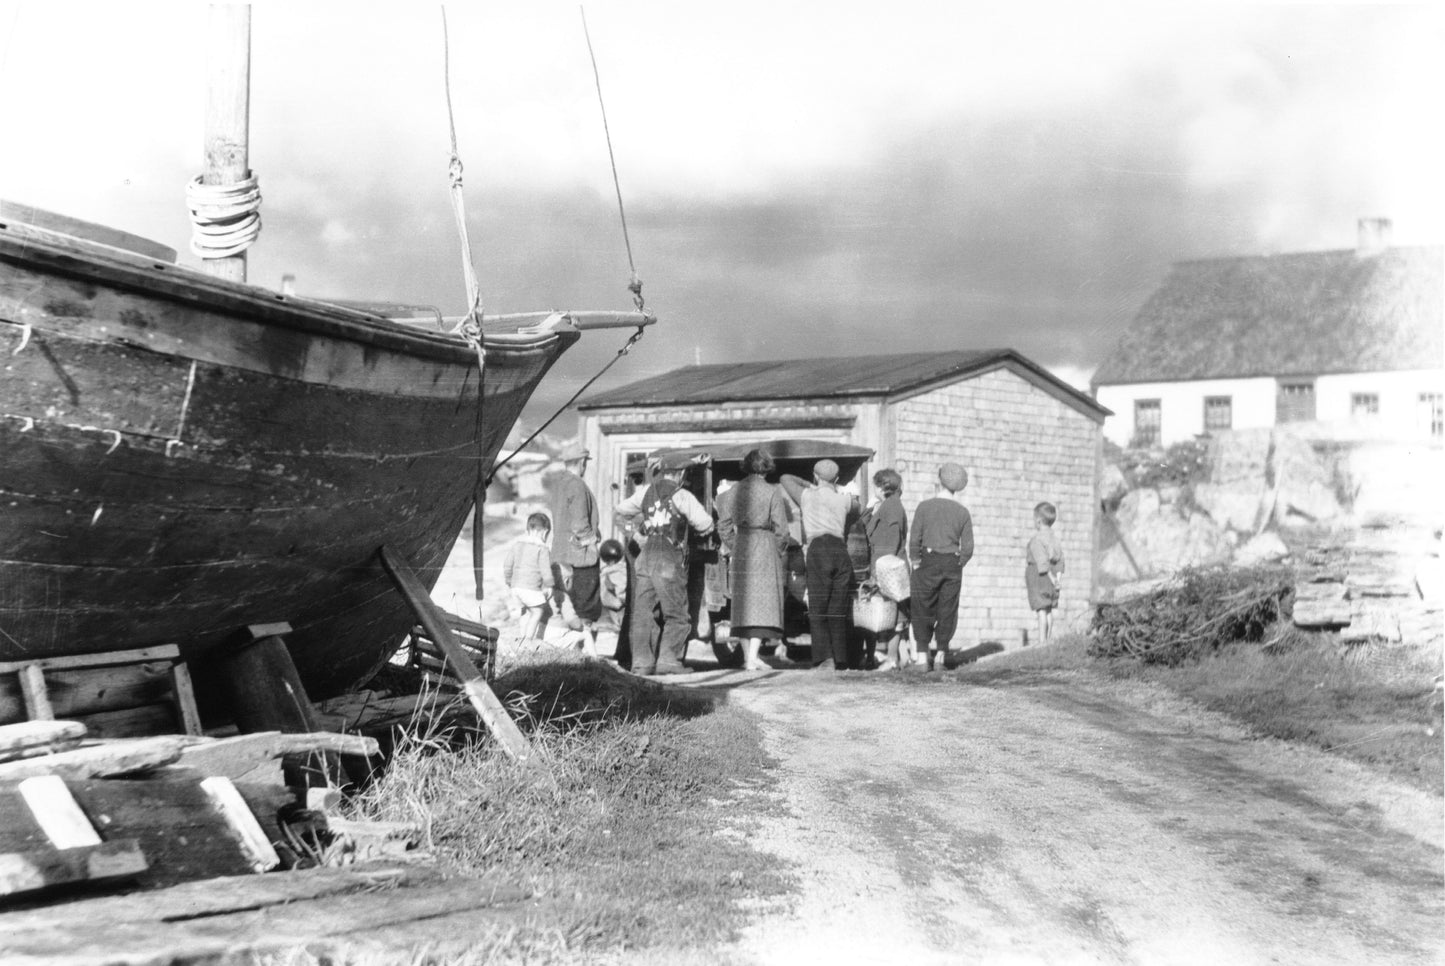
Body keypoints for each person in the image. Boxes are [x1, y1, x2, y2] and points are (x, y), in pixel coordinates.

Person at [614, 458, 716, 675]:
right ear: (680, 474)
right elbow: (706, 523)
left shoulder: (644, 492)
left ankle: (642, 663)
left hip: (646, 555)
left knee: (643, 612)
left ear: (662, 473)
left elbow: (620, 512)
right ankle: (669, 660)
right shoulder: (682, 495)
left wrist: (636, 533)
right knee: (676, 612)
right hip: (669, 556)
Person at [781, 459, 859, 671]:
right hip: (839, 550)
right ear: (836, 479)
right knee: (837, 607)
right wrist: (832, 487)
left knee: (818, 606)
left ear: (816, 476)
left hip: (818, 549)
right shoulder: (842, 500)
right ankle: (841, 658)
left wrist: (812, 484)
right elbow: (857, 507)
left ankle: (824, 659)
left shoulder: (807, 495)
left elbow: (785, 479)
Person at [717, 448, 790, 671]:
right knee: (763, 603)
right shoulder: (772, 492)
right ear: (766, 467)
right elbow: (782, 529)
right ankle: (752, 658)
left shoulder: (733, 491)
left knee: (743, 604)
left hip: (742, 545)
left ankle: (750, 656)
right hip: (765, 545)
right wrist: (778, 549)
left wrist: (733, 545)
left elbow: (724, 525)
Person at [907, 462, 974, 671]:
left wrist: (916, 560)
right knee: (948, 609)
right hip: (952, 563)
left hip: (927, 561)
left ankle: (921, 659)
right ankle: (941, 657)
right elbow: (968, 547)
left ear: (940, 480)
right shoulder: (963, 512)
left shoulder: (924, 507)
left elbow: (914, 537)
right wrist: (959, 561)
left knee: (922, 606)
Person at [548, 441, 602, 658]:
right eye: (585, 463)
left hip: (559, 552)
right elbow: (580, 523)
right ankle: (588, 654)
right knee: (585, 609)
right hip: (579, 556)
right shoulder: (577, 485)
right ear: (581, 462)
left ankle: (571, 655)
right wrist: (592, 541)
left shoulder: (559, 483)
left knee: (565, 606)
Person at [865, 468, 910, 670]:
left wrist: (882, 571)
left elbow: (891, 538)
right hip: (885, 565)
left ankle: (891, 659)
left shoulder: (891, 507)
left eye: (875, 484)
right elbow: (867, 531)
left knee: (894, 614)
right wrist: (868, 509)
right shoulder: (887, 505)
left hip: (889, 567)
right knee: (888, 613)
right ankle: (890, 657)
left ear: (883, 486)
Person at [502, 511, 554, 642]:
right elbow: (545, 570)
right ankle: (528, 639)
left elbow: (507, 565)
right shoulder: (542, 549)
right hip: (529, 588)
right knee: (537, 612)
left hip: (515, 588)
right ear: (543, 532)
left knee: (525, 611)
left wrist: (508, 580)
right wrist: (549, 585)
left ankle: (522, 636)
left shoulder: (517, 545)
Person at [1025, 501, 1065, 643]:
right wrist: (1057, 580)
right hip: (1053, 577)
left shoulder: (1037, 540)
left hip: (1040, 577)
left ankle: (1042, 641)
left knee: (1041, 610)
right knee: (1048, 610)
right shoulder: (1055, 540)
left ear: (1039, 521)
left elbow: (1042, 563)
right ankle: (1047, 640)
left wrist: (1050, 578)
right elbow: (1060, 561)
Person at [598, 538, 629, 647]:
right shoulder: (624, 568)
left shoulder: (603, 571)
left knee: (620, 625)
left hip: (612, 602)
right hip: (622, 601)